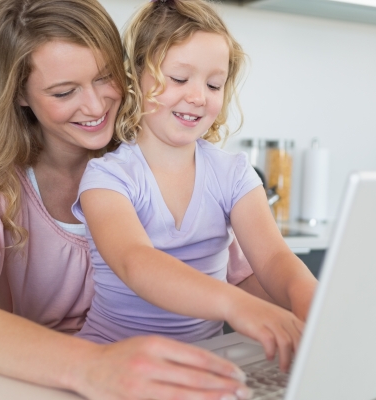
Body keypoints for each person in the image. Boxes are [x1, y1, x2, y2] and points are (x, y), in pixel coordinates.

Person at [0, 0, 278, 398]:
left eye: (105, 77)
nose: (95, 107)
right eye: (63, 92)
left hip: (150, 376)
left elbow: (243, 274)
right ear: (20, 94)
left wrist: (311, 324)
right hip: (42, 378)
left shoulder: (153, 149)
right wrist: (93, 366)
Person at [72, 0, 318, 372]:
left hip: (203, 364)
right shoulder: (108, 178)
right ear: (135, 77)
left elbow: (272, 258)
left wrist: (313, 303)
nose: (198, 96)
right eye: (180, 78)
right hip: (110, 367)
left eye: (214, 83)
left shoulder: (234, 174)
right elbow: (137, 263)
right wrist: (237, 305)